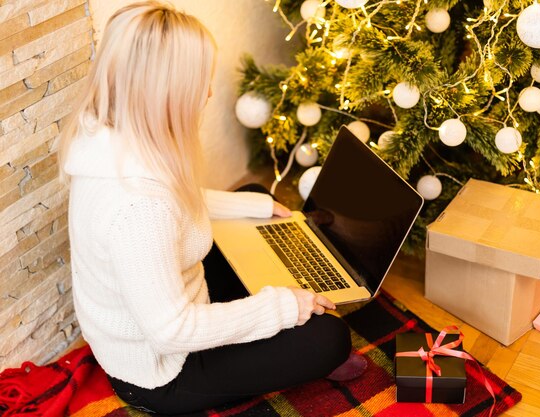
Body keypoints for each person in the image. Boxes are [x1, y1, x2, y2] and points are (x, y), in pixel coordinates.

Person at [58, 1, 366, 414]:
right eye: (199, 82)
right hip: (162, 371)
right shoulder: (136, 208)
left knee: (255, 198)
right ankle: (296, 325)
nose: (206, 93)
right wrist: (284, 307)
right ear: (165, 94)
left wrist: (252, 205)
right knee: (329, 339)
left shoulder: (113, 134)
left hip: (167, 308)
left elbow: (178, 201)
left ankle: (279, 294)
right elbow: (173, 330)